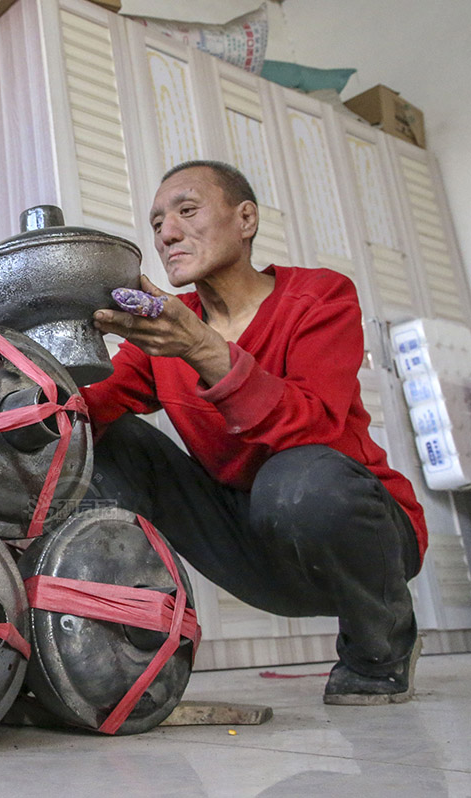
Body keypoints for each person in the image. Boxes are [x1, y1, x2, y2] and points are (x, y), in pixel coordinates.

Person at [80, 160, 426, 705]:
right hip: (255, 549)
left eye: (187, 211)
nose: (167, 232)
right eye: (157, 224)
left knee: (295, 477)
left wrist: (201, 348)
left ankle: (380, 648)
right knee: (102, 440)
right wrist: (35, 375)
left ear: (246, 219)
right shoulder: (166, 328)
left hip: (353, 527)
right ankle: (115, 640)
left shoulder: (321, 297)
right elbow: (92, 405)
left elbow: (312, 426)